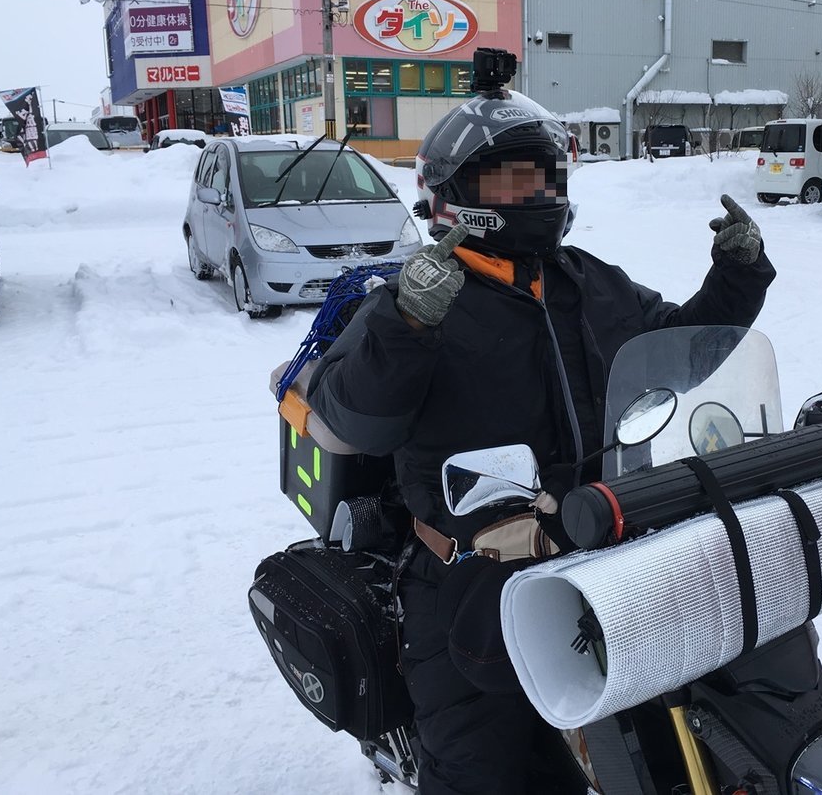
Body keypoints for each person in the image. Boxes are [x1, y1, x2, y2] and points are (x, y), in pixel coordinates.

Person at [306, 50, 776, 795]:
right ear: (458, 193)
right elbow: (356, 418)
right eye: (512, 178)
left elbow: (674, 354)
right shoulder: (422, 298)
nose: (535, 192)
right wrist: (404, 323)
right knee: (485, 772)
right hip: (470, 582)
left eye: (546, 176)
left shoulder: (587, 282)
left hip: (601, 545)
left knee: (664, 731)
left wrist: (737, 277)